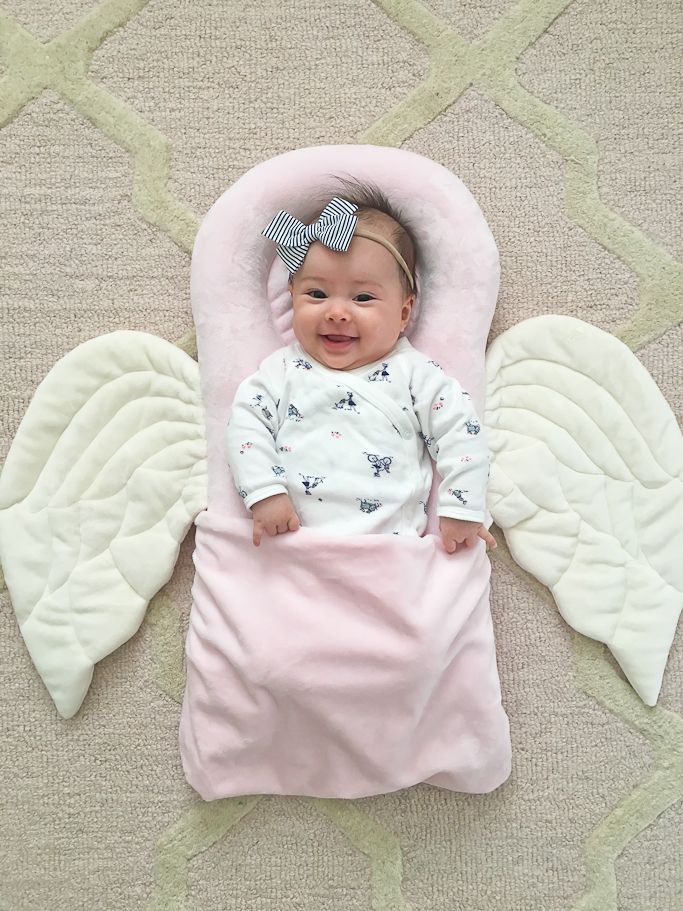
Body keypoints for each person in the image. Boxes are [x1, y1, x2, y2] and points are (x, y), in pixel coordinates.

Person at [225, 185, 497, 553]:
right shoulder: (280, 372)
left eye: (363, 298)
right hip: (293, 545)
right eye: (317, 295)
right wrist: (263, 493)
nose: (337, 312)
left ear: (404, 312)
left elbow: (462, 435)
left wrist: (462, 507)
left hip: (387, 550)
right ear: (292, 297)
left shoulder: (416, 375)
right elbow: (246, 428)